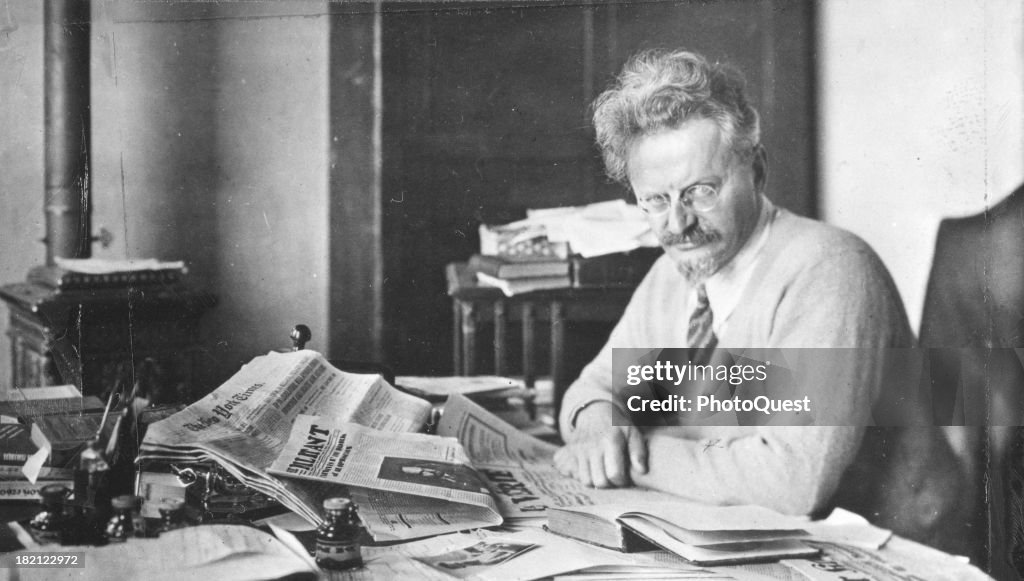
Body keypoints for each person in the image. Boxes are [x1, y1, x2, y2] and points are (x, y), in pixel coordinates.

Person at [553, 49, 965, 552]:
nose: (678, 224)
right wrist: (598, 427)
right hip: (758, 536)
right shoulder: (674, 274)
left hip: (886, 548)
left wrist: (629, 453)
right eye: (656, 201)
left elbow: (791, 481)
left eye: (701, 191)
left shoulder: (830, 268)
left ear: (758, 169)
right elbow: (590, 390)